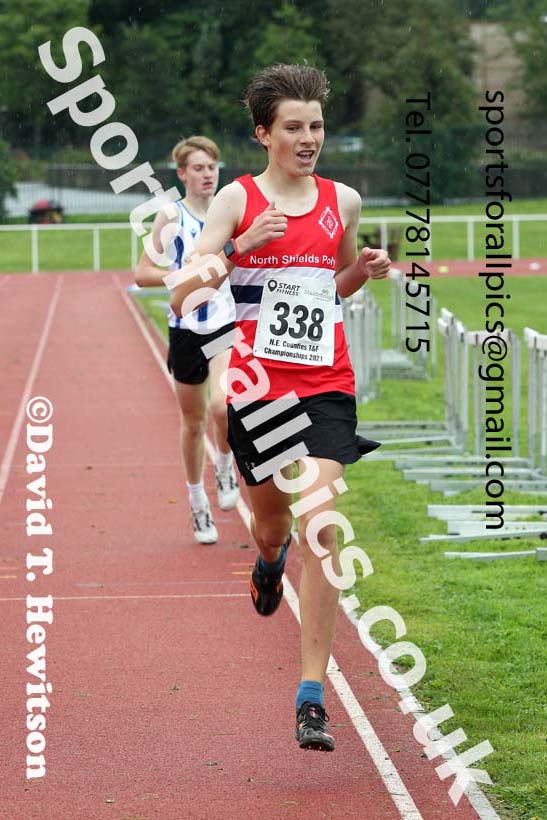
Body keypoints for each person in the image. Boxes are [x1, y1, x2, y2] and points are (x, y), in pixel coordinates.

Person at [169, 65, 390, 750]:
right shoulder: (234, 202)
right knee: (272, 527)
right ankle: (268, 560)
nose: (307, 138)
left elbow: (335, 282)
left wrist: (366, 270)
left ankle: (310, 694)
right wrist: (239, 249)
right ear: (263, 133)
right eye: (292, 127)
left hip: (326, 383)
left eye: (316, 126)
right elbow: (183, 290)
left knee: (323, 523)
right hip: (260, 391)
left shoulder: (342, 200)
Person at [135, 135, 239, 544]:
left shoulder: (230, 212)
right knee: (193, 422)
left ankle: (226, 465)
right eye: (198, 168)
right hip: (185, 329)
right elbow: (142, 273)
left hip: (225, 322)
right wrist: (181, 276)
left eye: (212, 166)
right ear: (182, 174)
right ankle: (198, 505)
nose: (207, 174)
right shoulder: (171, 217)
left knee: (222, 406)